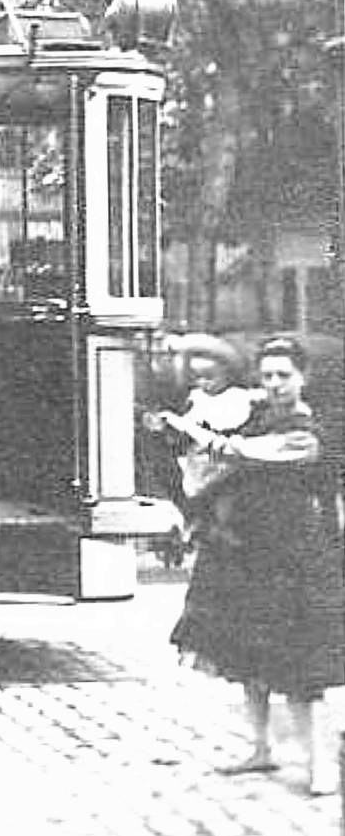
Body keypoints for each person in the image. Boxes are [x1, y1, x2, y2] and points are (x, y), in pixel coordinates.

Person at [170, 336, 342, 796]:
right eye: (266, 376)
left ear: (303, 378)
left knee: (298, 666)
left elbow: (257, 453)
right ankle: (261, 747)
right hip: (247, 550)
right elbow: (213, 475)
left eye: (283, 375)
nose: (274, 384)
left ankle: (321, 763)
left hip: (294, 554)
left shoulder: (308, 430)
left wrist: (210, 441)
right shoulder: (256, 421)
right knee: (249, 656)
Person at [143, 341, 260, 549]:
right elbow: (186, 429)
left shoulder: (237, 399)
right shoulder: (197, 399)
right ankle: (192, 531)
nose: (203, 383)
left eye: (210, 377)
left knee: (222, 496)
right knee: (194, 491)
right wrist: (171, 428)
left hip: (222, 458)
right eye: (198, 377)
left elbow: (233, 428)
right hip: (199, 458)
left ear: (228, 375)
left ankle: (218, 531)